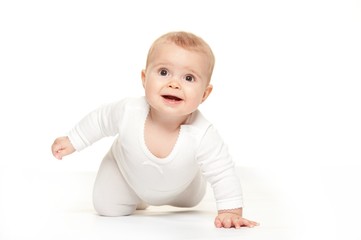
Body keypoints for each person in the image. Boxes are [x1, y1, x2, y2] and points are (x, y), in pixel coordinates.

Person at [51, 31, 258, 229]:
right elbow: (100, 120)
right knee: (106, 207)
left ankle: (191, 179)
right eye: (163, 72)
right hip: (126, 173)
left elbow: (223, 172)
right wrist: (73, 141)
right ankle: (135, 195)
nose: (174, 84)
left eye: (189, 78)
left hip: (181, 186)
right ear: (144, 78)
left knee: (193, 199)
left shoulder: (202, 134)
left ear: (205, 93)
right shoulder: (129, 111)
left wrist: (231, 211)